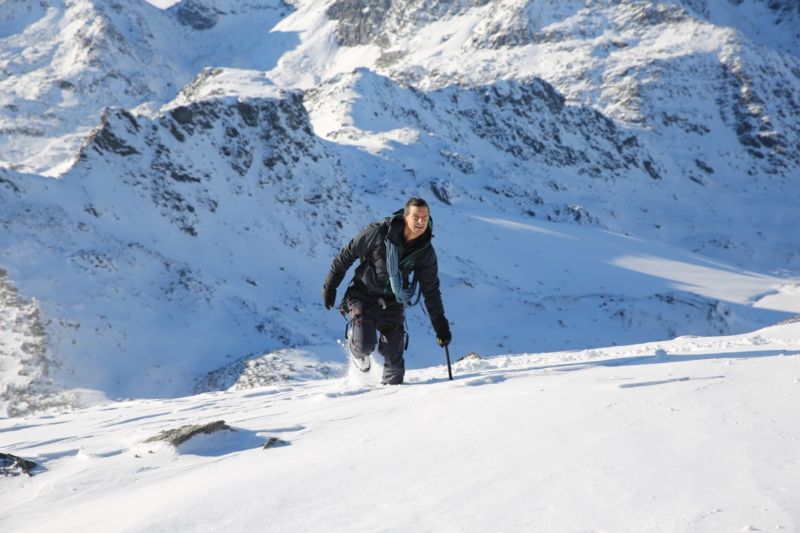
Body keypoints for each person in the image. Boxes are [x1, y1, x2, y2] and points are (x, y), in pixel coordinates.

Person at [322, 197, 451, 385]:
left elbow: (431, 290)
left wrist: (441, 327)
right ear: (405, 216)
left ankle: (390, 403)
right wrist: (330, 285)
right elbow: (347, 254)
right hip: (363, 293)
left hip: (393, 301)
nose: (421, 222)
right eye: (416, 217)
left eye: (425, 217)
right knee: (365, 345)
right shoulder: (379, 233)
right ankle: (356, 347)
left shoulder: (425, 251)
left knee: (395, 371)